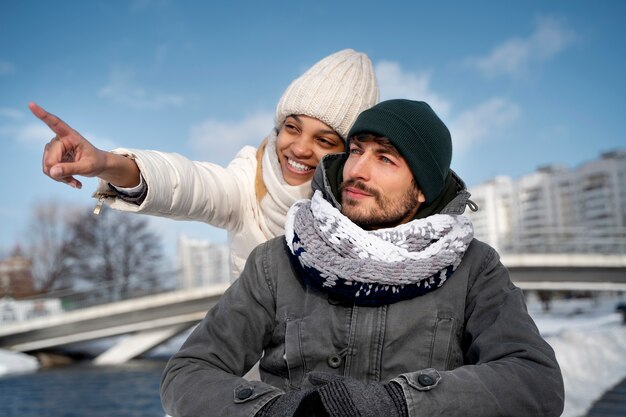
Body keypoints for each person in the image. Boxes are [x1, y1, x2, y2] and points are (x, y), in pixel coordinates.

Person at [160, 99, 565, 417]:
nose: (357, 171)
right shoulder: (277, 261)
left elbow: (535, 382)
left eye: (385, 159)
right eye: (356, 151)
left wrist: (400, 403)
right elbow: (188, 374)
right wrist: (272, 410)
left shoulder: (473, 267)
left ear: (422, 188)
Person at [31, 49, 379, 280]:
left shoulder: (367, 211)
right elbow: (189, 184)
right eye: (292, 128)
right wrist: (107, 163)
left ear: (349, 154)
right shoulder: (248, 183)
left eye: (324, 140)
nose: (300, 148)